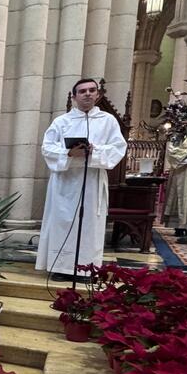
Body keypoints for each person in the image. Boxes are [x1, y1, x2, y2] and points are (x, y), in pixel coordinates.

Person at [35, 78, 127, 282]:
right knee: (62, 222)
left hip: (92, 180)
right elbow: (47, 148)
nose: (87, 94)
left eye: (91, 90)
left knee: (89, 225)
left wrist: (94, 151)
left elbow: (118, 148)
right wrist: (68, 153)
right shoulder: (61, 122)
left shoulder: (107, 121)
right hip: (65, 182)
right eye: (82, 91)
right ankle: (60, 266)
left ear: (97, 94)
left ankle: (87, 269)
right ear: (74, 96)